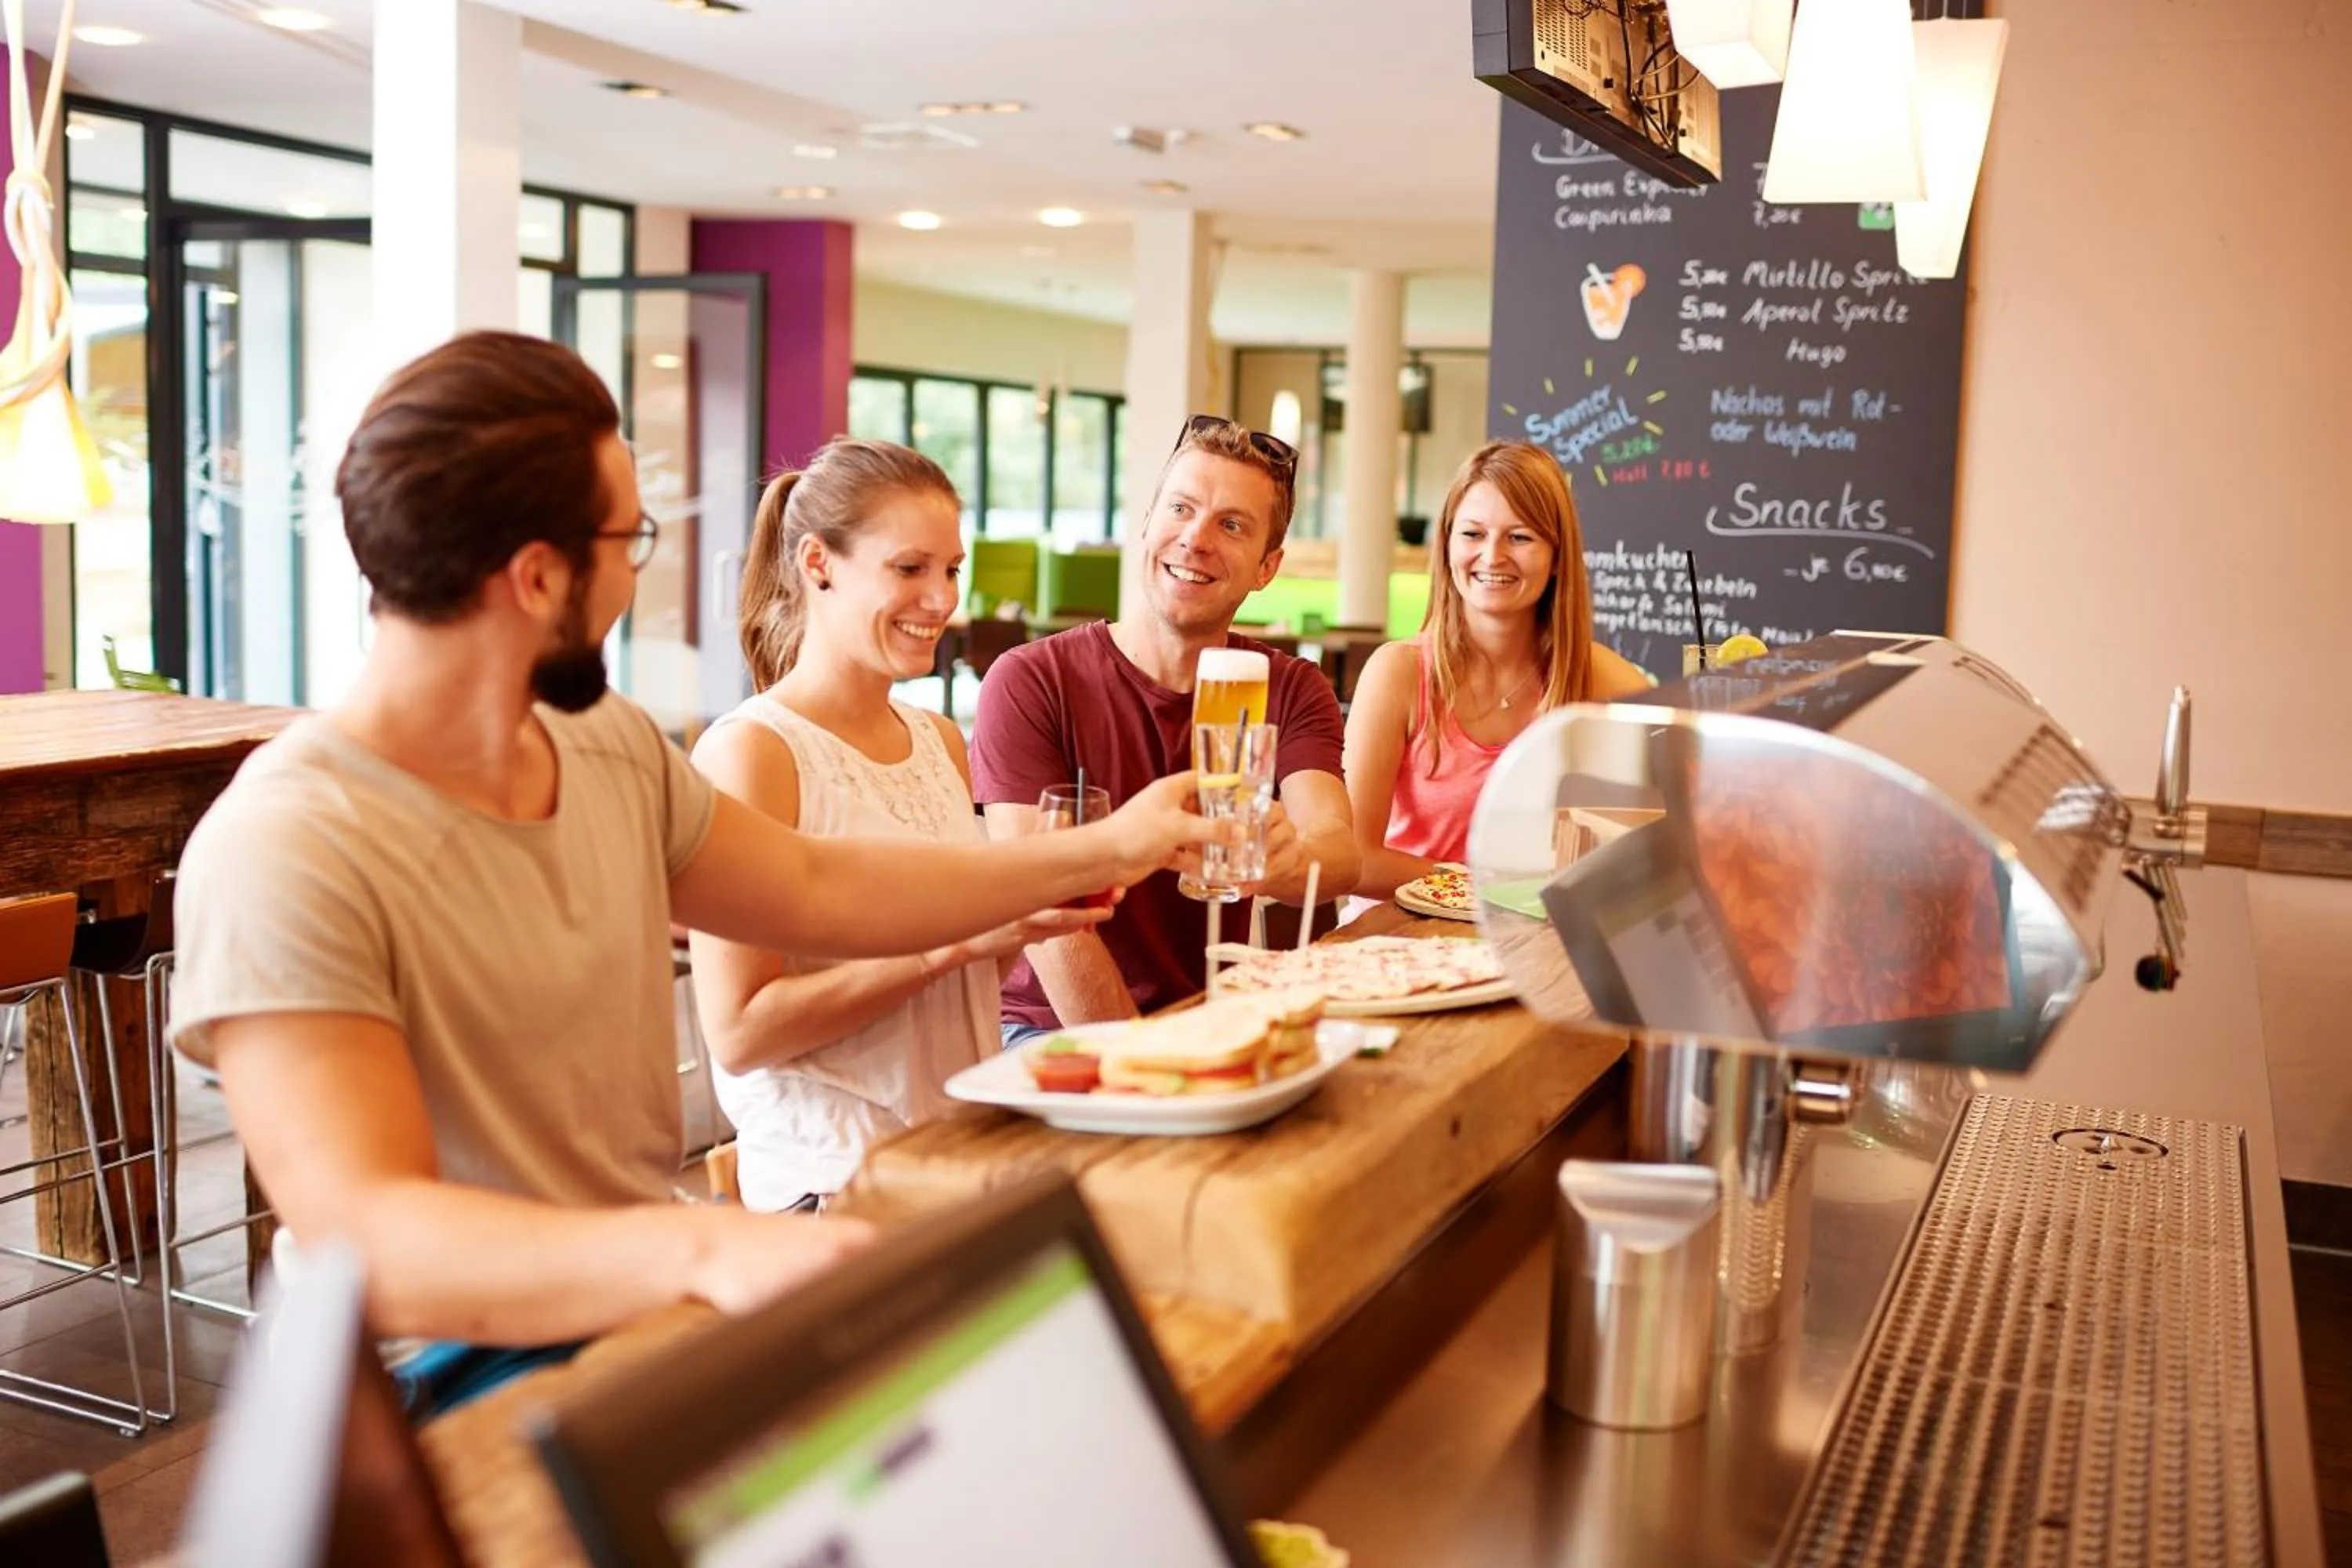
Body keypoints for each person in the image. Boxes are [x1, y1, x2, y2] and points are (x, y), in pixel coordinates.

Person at [167, 333, 1219, 1417]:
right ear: (537, 577)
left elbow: (820, 888)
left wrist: (1113, 844)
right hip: (436, 1395)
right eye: (630, 538)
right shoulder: (288, 844)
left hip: (633, 1333)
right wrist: (699, 1248)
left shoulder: (606, 747)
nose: (638, 569)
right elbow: (370, 1239)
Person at [688, 441, 1050, 1212]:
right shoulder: (753, 751)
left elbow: (966, 979)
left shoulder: (942, 740)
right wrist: (953, 942)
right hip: (835, 1190)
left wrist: (1023, 922)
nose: (942, 598)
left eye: (951, 569)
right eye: (910, 568)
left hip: (956, 1160)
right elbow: (743, 1031)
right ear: (818, 563)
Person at [970, 414, 1362, 1044]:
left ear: (1267, 567)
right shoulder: (1031, 679)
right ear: (1148, 523)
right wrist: (1154, 1059)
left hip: (1210, 1016)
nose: (1196, 539)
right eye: (1181, 509)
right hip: (1053, 1029)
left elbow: (1339, 851)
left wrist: (1291, 860)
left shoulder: (1291, 687)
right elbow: (1042, 907)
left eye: (1231, 525)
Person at [1342, 440, 1651, 900]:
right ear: (1446, 545)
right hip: (1403, 939)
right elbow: (1356, 858)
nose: (1492, 556)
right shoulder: (1398, 672)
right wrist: (1487, 889)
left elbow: (1631, 855)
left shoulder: (1611, 684)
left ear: (1557, 556)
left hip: (1537, 941)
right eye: (1472, 534)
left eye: (1520, 537)